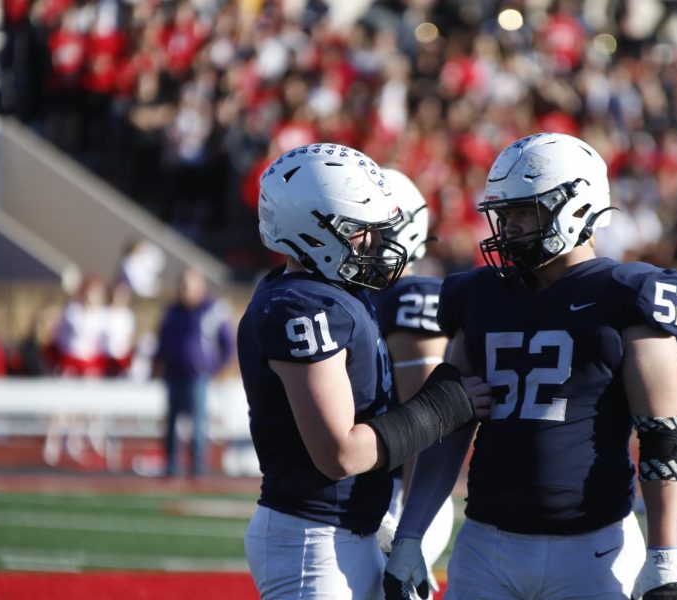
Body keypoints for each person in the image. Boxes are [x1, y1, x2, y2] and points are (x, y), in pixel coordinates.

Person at [384, 133, 677, 600]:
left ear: (578, 206)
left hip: (593, 547)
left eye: (524, 212)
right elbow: (449, 424)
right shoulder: (479, 295)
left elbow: (662, 437)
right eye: (504, 215)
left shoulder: (628, 294)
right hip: (487, 542)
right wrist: (411, 535)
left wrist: (664, 554)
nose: (509, 229)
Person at [237, 144, 492, 599]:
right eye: (360, 229)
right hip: (313, 538)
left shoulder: (319, 293)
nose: (375, 242)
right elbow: (339, 455)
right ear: (312, 232)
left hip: (342, 528)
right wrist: (442, 407)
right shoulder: (304, 308)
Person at [371, 169, 455, 595]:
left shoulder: (412, 296)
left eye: (370, 225)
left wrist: (407, 522)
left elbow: (423, 421)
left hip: (400, 489)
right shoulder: (355, 294)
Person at [154, 267, 234, 477]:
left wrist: (214, 367)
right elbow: (162, 339)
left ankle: (197, 468)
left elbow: (228, 343)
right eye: (182, 286)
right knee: (171, 423)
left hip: (197, 375)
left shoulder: (213, 309)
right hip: (174, 373)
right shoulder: (172, 310)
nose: (183, 290)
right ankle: (171, 465)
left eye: (188, 286)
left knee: (198, 423)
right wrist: (160, 362)